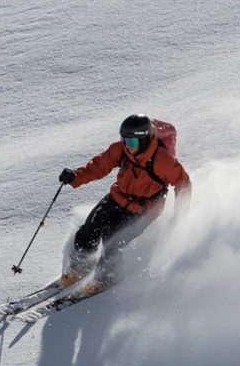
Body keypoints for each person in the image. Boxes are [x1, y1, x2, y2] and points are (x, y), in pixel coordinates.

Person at [57, 114, 191, 284]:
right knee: (88, 231)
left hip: (145, 209)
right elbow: (99, 166)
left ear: (143, 140)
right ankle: (80, 266)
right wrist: (75, 176)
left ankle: (106, 278)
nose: (127, 145)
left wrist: (180, 211)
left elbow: (183, 182)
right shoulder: (121, 149)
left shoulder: (162, 160)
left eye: (132, 142)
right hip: (118, 197)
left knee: (113, 241)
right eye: (124, 140)